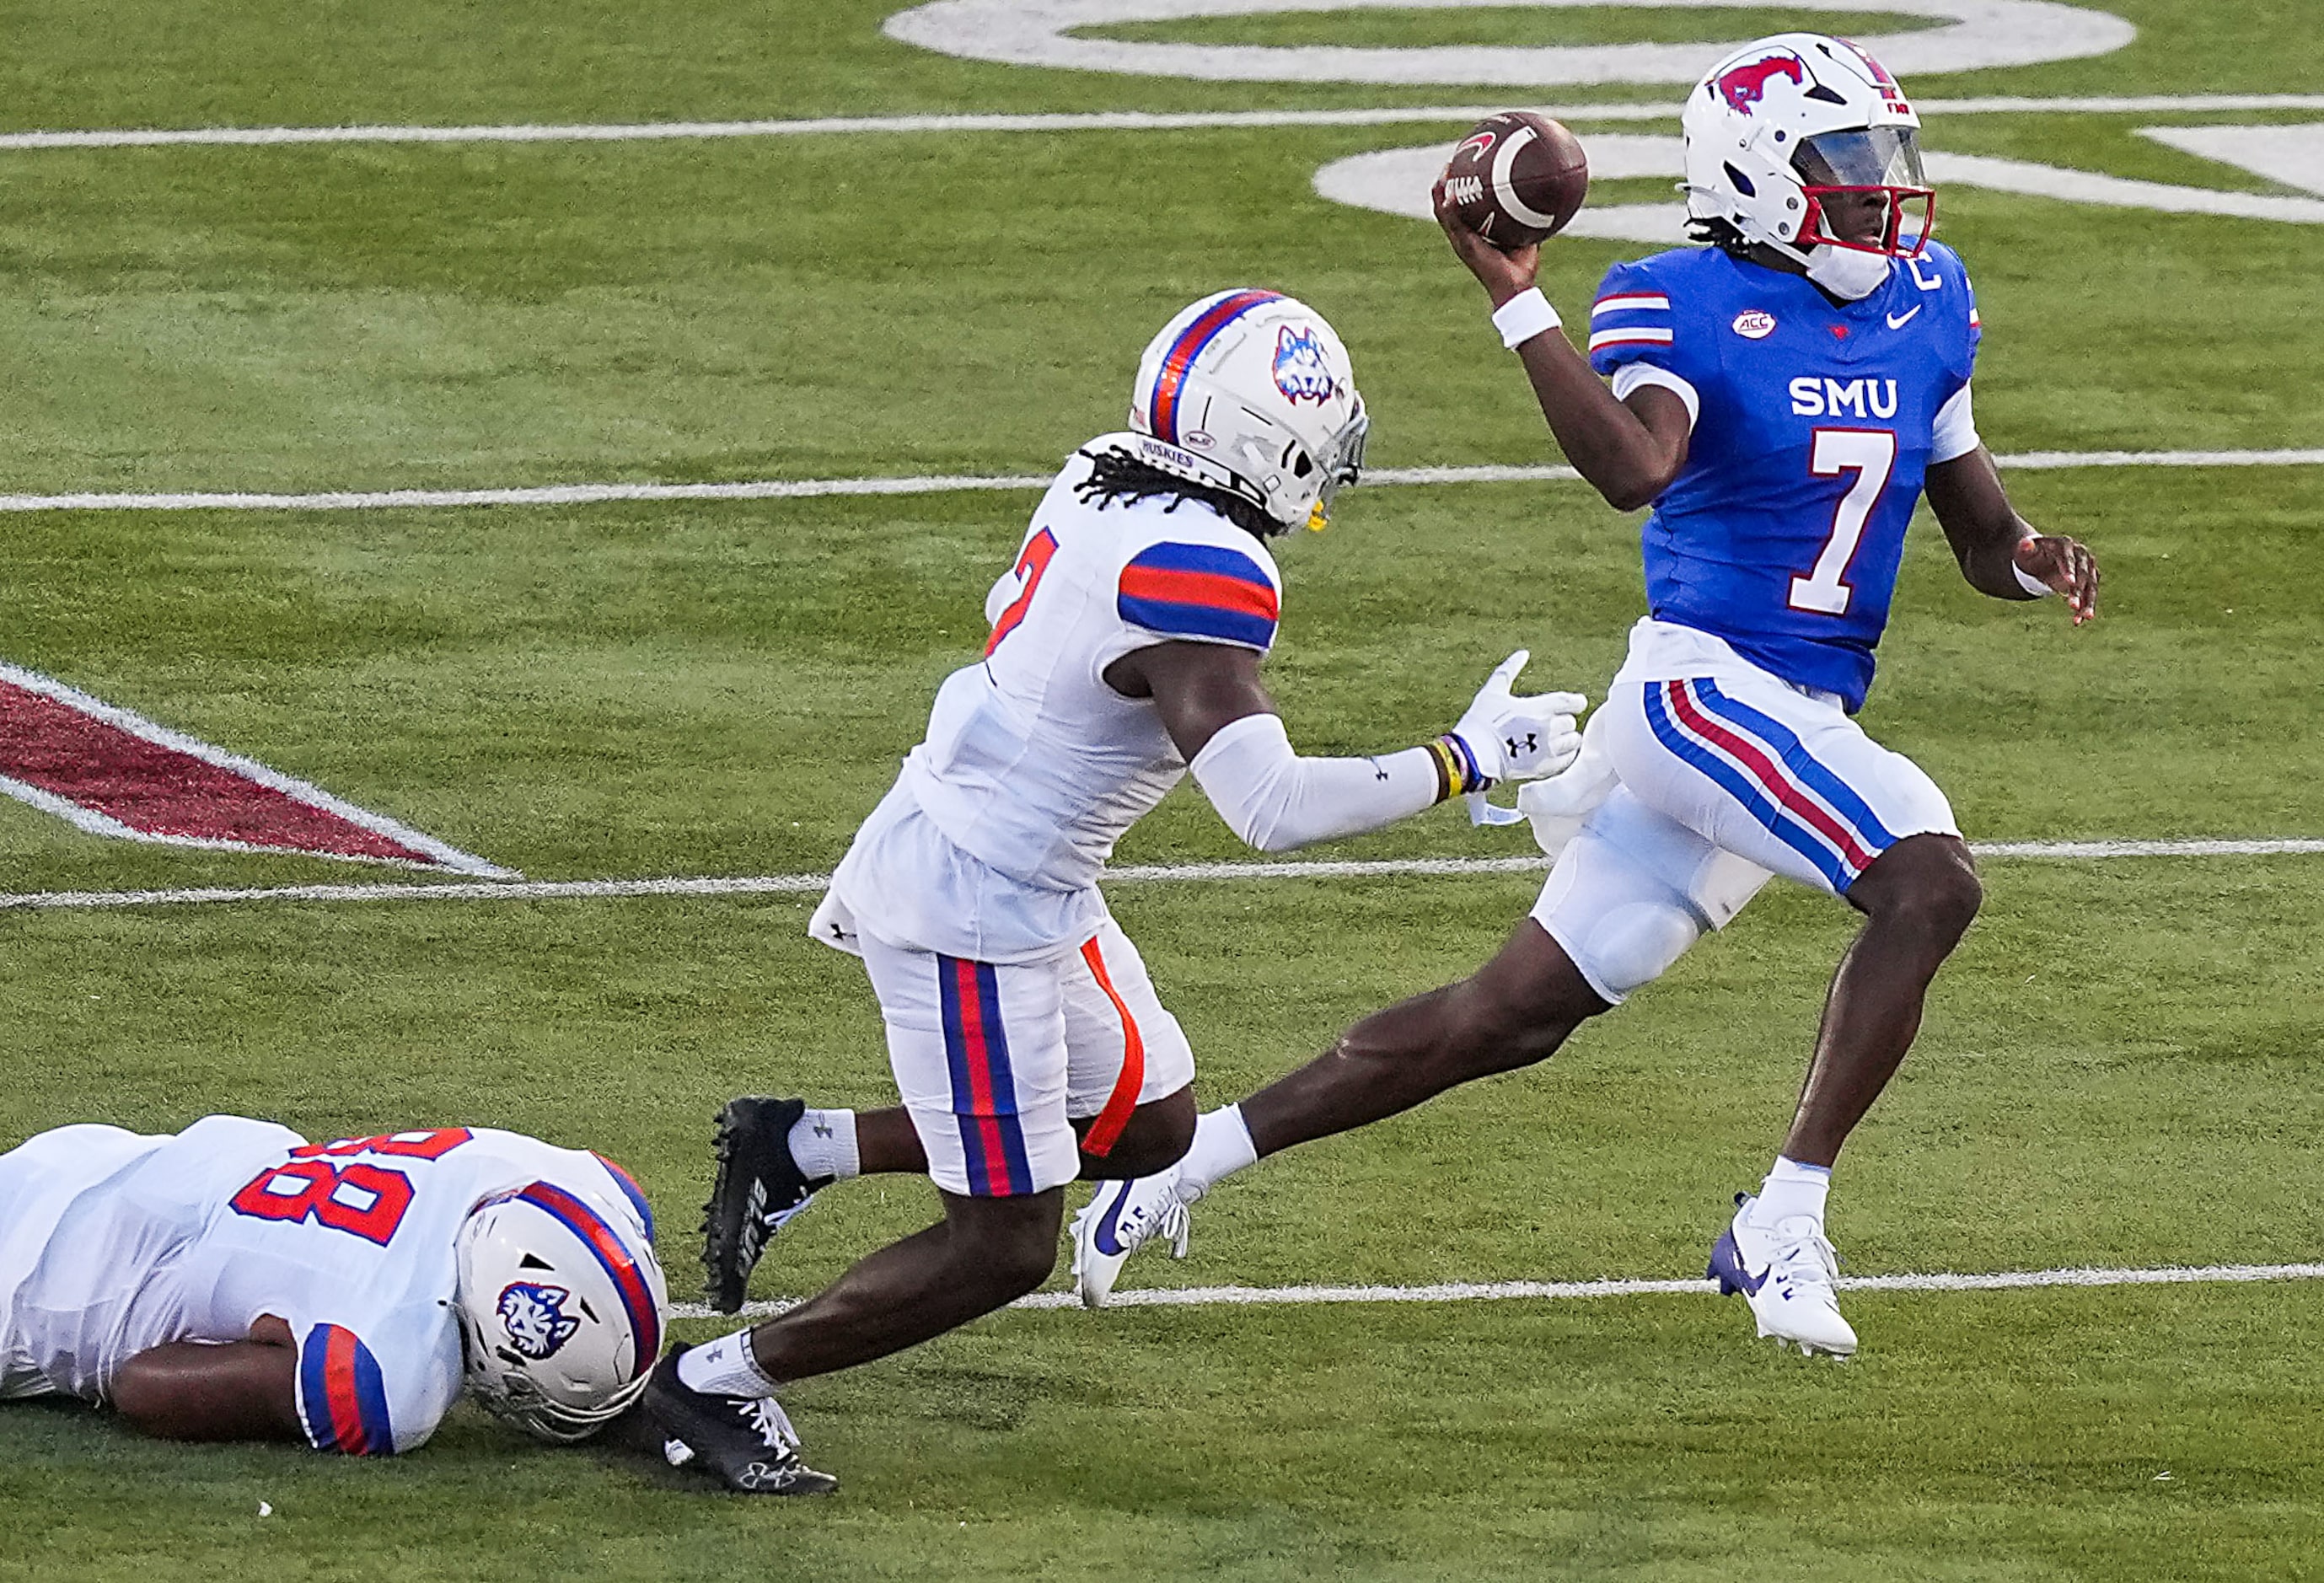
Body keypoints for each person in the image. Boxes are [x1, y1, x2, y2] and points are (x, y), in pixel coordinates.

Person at [1069, 35, 2100, 1359]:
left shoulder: (1927, 296)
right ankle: (1781, 1219)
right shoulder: (1673, 299)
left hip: (1795, 713)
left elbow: (1975, 532)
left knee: (1510, 1016)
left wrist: (2030, 561)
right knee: (1929, 878)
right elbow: (1633, 469)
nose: (1879, 192)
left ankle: (1183, 1166)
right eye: (1847, 163)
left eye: (1885, 160)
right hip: (1699, 693)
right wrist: (1514, 295)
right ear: (1761, 176)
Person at [646, 288, 1588, 1492]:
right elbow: (1271, 807)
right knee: (1002, 1244)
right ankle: (709, 1385)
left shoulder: (1108, 472)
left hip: (1020, 862)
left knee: (1152, 1127)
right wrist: (1465, 760)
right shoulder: (1202, 565)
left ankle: (800, 1146)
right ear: (1261, 437)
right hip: (974, 905)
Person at [0, 1113, 684, 1467]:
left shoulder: (571, 1181)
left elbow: (618, 1201)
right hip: (51, 1283)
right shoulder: (394, 1369)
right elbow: (144, 1386)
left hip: (152, 1161)